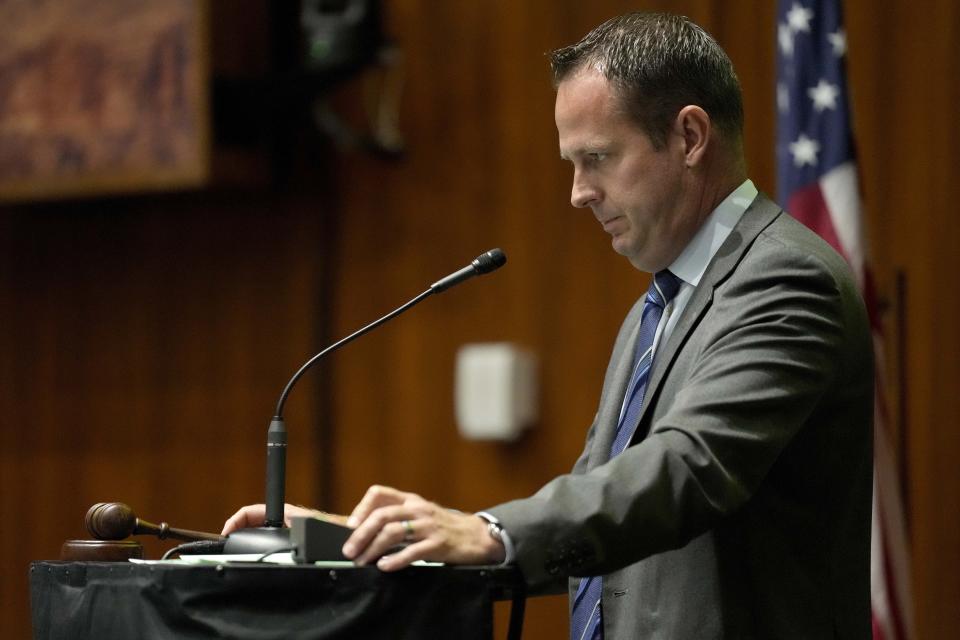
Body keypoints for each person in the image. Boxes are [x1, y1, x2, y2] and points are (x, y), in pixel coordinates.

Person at [224, 12, 873, 639]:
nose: (578, 192)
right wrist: (377, 542)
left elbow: (689, 469)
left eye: (598, 158)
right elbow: (599, 512)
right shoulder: (657, 309)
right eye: (572, 164)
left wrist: (490, 531)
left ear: (690, 137)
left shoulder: (785, 278)